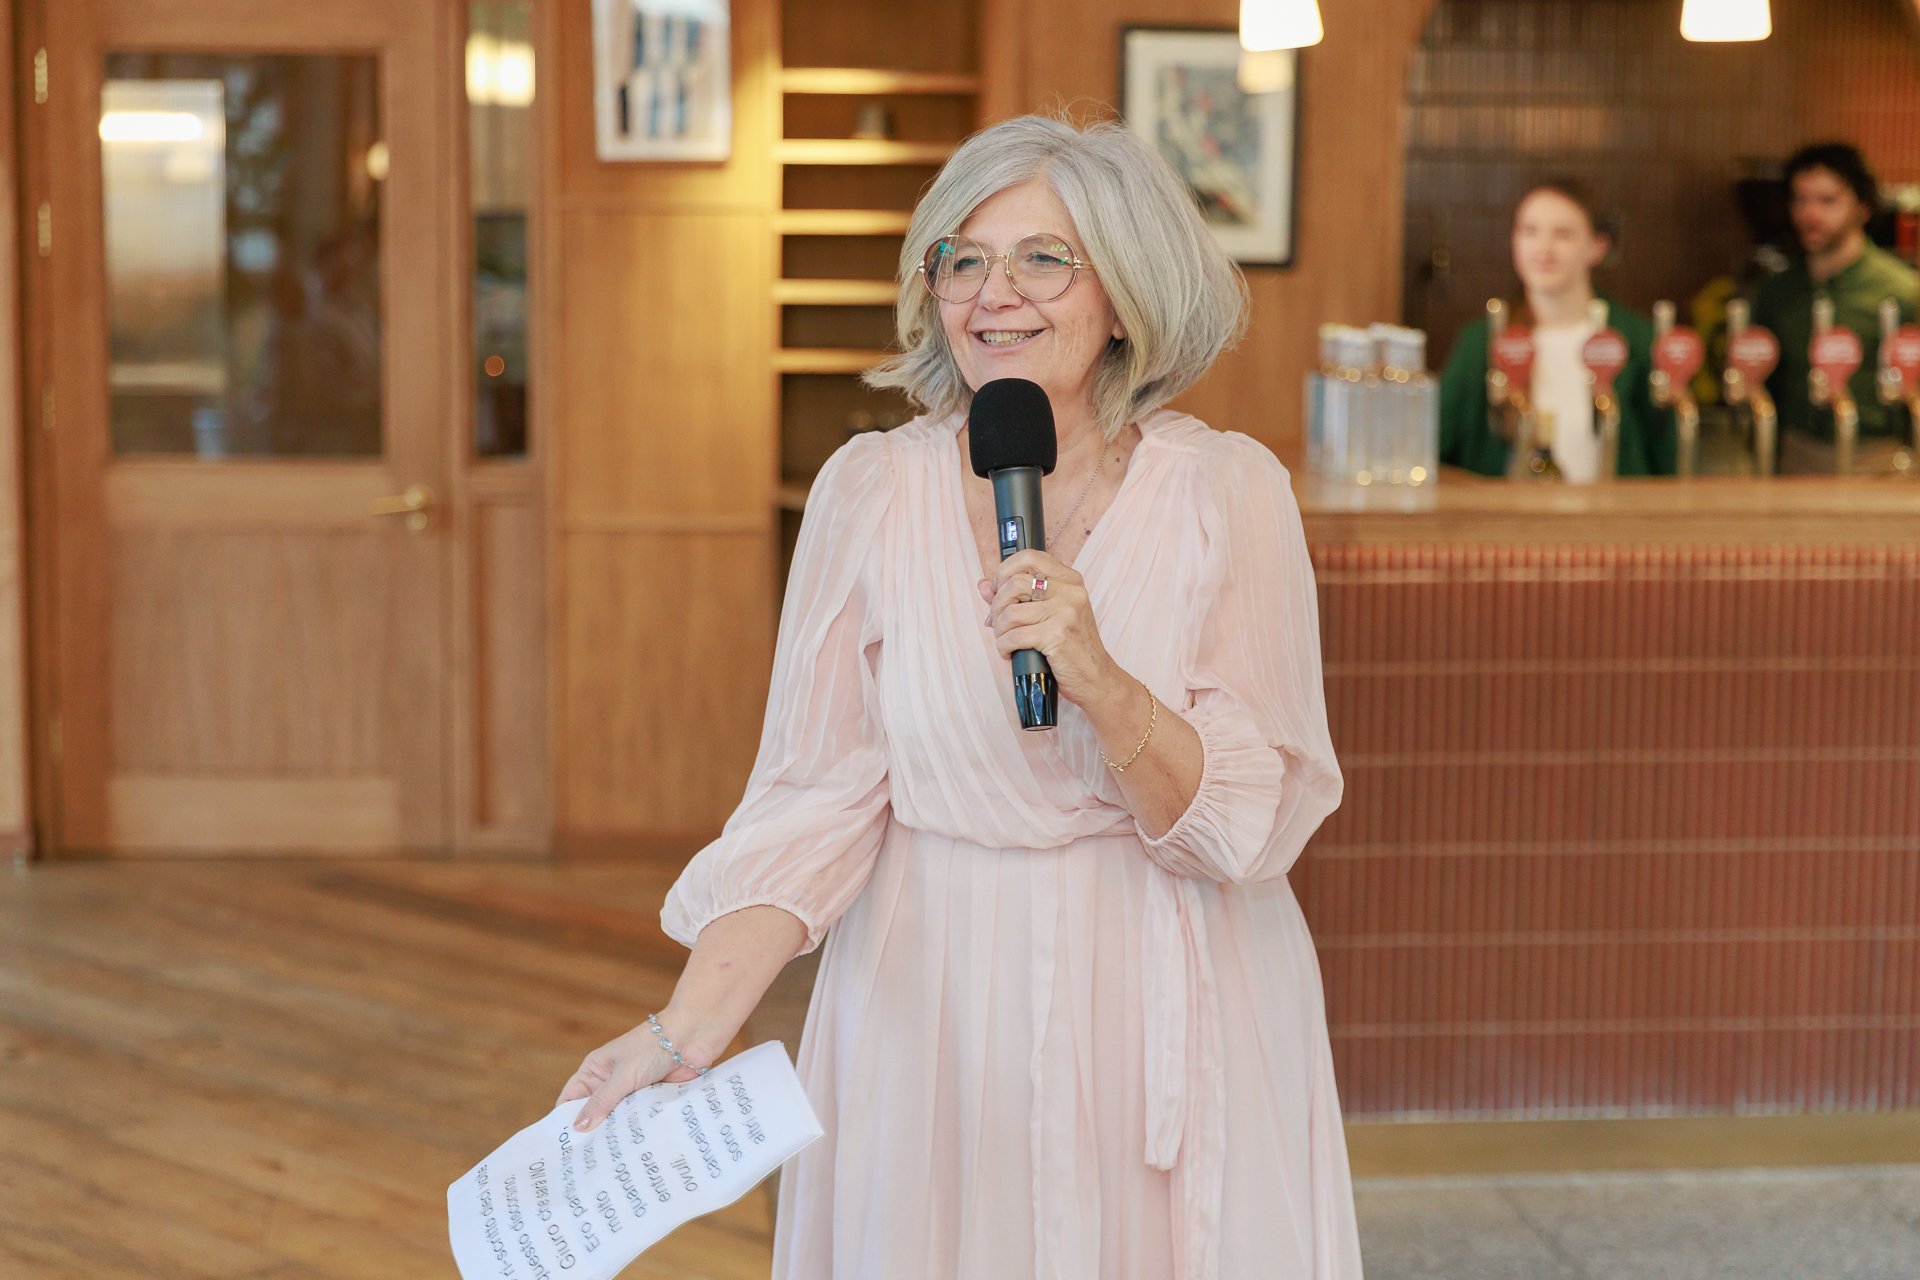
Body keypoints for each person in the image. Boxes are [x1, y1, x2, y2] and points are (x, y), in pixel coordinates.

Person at [555, 115, 1362, 1279]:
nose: (995, 294)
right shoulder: (869, 492)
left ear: (1127, 293)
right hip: (929, 1012)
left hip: (1171, 995)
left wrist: (1099, 676)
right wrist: (677, 1034)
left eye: (1045, 257)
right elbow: (812, 804)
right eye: (961, 259)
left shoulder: (1229, 493)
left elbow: (1250, 819)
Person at [1439, 180, 1675, 481]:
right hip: (1510, 524)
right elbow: (1437, 453)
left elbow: (1668, 462)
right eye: (1529, 231)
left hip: (1610, 523)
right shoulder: (1481, 342)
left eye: (1562, 234)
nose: (1543, 249)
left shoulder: (1635, 340)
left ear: (1597, 247)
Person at [1752, 142, 1919, 474]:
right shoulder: (1777, 292)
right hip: (1794, 456)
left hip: (1878, 458)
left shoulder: (1902, 291)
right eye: (1801, 200)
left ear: (1864, 206)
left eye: (1828, 201)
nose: (1810, 215)